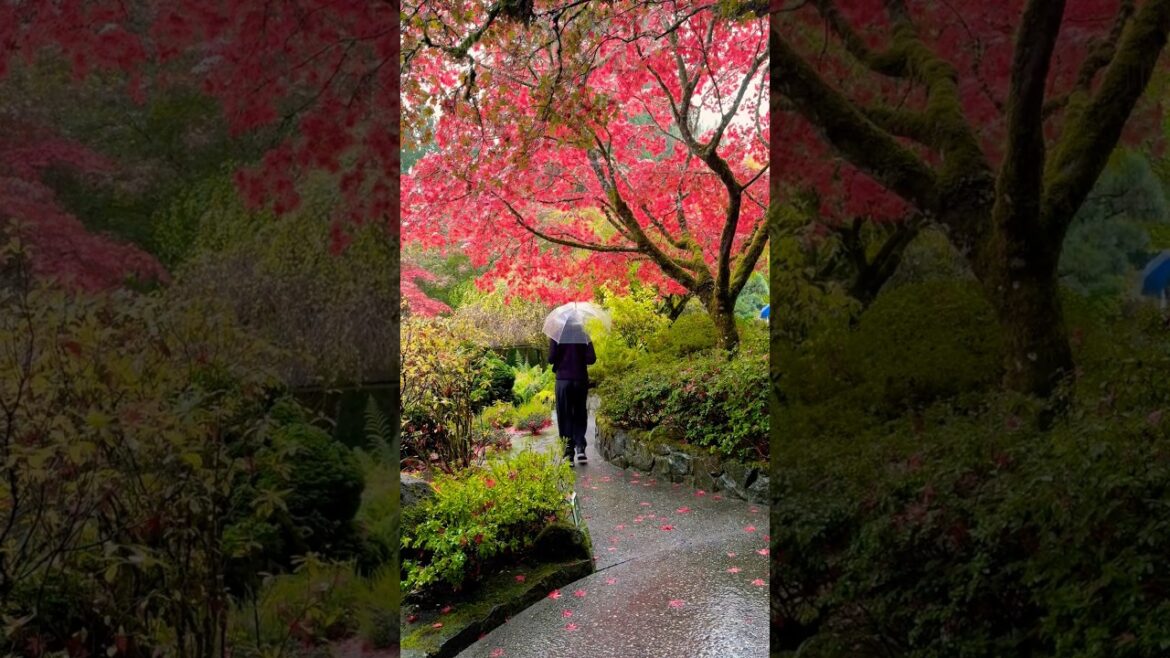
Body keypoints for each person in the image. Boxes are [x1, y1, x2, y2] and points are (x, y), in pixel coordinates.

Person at [548, 318, 595, 467]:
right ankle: (580, 448)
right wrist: (579, 356)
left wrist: (561, 356)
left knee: (565, 414)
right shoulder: (584, 334)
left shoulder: (557, 335)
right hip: (580, 379)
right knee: (579, 412)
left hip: (563, 380)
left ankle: (569, 453)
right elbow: (591, 359)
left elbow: (550, 359)